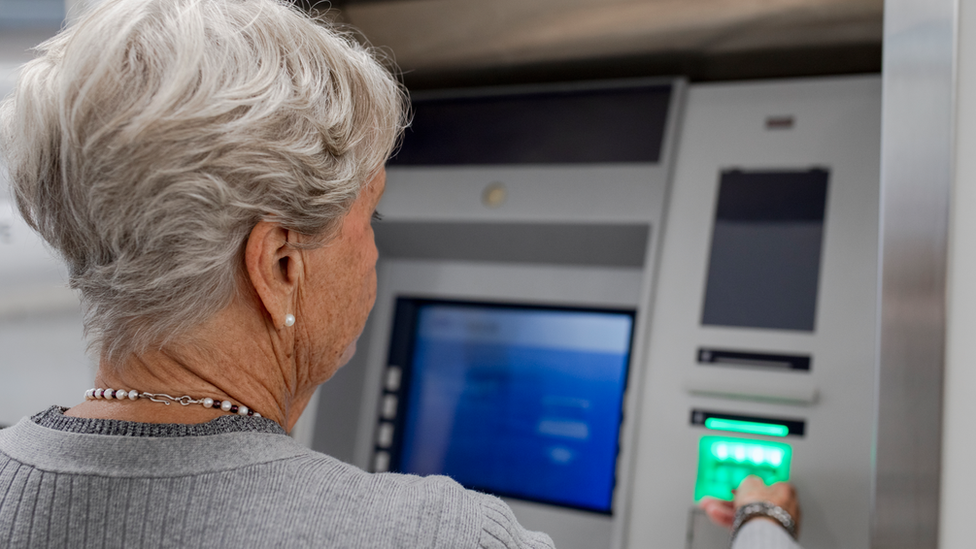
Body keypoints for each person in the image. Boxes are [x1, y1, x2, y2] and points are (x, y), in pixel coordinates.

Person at [0, 0, 799, 547]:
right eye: (367, 216)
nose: (373, 249)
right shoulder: (437, 537)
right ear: (279, 263)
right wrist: (762, 519)